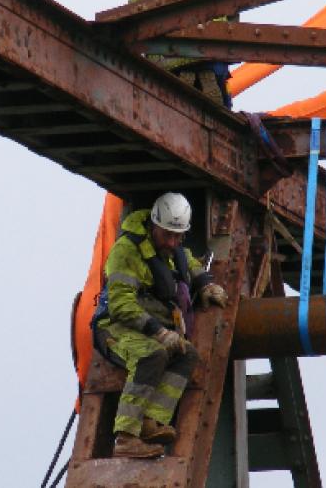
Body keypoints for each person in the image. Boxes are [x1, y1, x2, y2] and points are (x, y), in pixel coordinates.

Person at [92, 192, 228, 458]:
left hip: (147, 327)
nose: (173, 242)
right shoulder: (126, 251)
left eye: (178, 236)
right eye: (168, 235)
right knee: (151, 354)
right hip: (115, 326)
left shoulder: (172, 247)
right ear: (154, 225)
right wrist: (159, 332)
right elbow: (120, 306)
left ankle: (150, 421)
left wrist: (206, 284)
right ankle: (126, 436)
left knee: (186, 355)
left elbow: (188, 261)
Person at [121, 0, 234, 109]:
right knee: (223, 123)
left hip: (173, 73)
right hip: (216, 65)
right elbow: (232, 11)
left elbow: (129, 32)